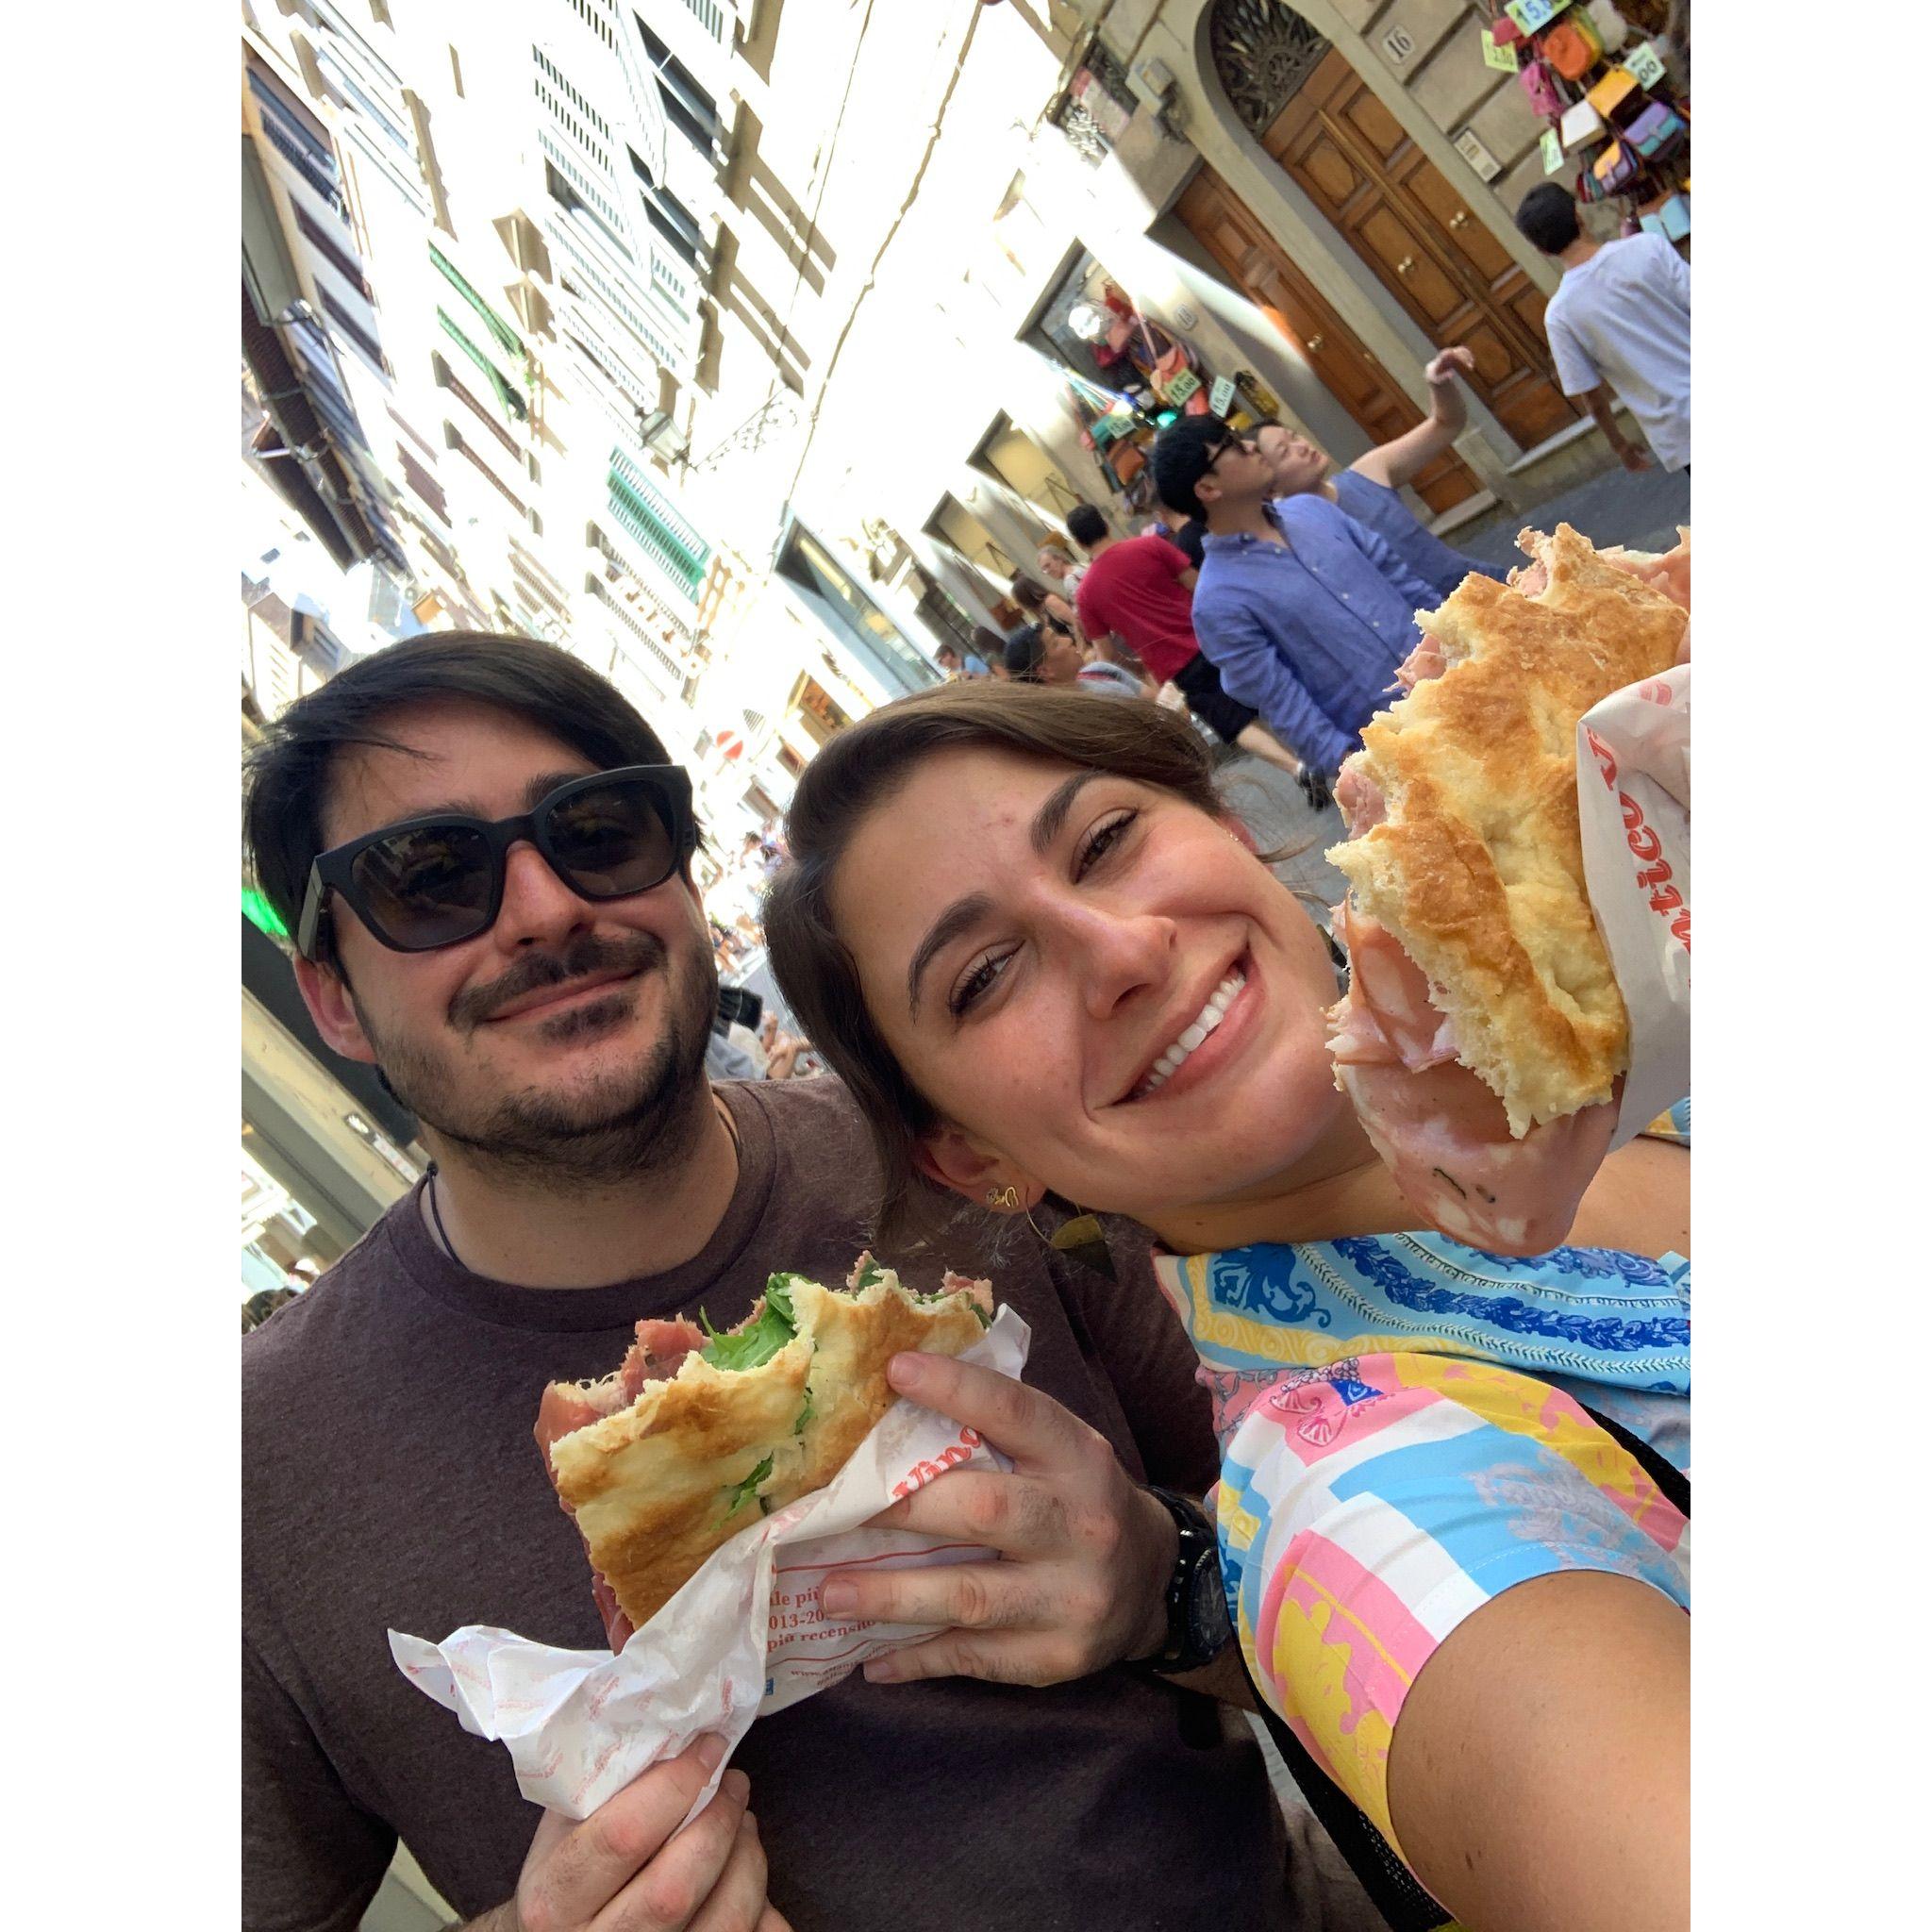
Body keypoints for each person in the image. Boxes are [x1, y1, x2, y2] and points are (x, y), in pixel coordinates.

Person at [240, 631, 1316, 1932]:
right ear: (333, 999)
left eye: (601, 828)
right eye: (424, 878)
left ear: (685, 878)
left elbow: (1393, 1577)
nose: (543, 909)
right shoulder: (254, 1484)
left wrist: (1171, 1587)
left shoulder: (965, 1149)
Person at [764, 682, 1690, 1932]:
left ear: (1229, 829)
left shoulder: (1634, 965)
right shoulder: (1345, 1491)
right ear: (977, 1160)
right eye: (986, 977)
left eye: (1106, 843)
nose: (1127, 951)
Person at [1153, 414, 1441, 789]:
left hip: (1460, 679)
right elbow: (1285, 704)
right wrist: (1359, 774)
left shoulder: (1312, 510)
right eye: (1234, 444)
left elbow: (1403, 581)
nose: (1252, 445)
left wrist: (1470, 641)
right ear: (1207, 488)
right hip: (1405, 749)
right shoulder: (1218, 603)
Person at [1067, 501, 1306, 781]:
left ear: (1079, 543)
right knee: (1268, 694)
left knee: (1235, 723)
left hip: (1173, 665)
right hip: (1211, 636)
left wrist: (1135, 663)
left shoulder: (1085, 594)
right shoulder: (1149, 546)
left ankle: (1297, 768)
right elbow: (1199, 584)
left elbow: (1106, 657)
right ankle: (1316, 748)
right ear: (1105, 522)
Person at [1249, 351, 1507, 601]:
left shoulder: (1365, 473)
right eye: (1285, 452)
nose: (1302, 447)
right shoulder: (1300, 535)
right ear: (1269, 485)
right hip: (1433, 630)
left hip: (1484, 587)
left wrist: (1439, 384)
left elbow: (1446, 423)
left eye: (1294, 436)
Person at [1514, 183, 1690, 475]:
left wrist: (1620, 444)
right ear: (1579, 216)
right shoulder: (1647, 247)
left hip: (1678, 431)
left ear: (1542, 250)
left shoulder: (1560, 315)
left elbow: (1592, 397)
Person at [1005, 615, 1141, 696]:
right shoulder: (1070, 726)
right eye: (1056, 643)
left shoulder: (1100, 670)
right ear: (1045, 671)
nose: (1069, 640)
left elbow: (1151, 699)